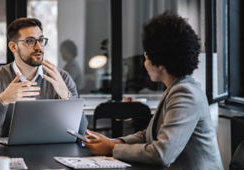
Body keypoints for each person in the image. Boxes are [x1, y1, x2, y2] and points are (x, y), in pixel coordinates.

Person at [84, 11, 223, 169]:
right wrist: (114, 142)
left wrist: (112, 148)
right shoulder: (177, 88)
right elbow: (150, 135)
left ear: (160, 62)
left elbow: (162, 153)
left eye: (147, 57)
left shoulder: (185, 94)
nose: (144, 63)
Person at [0, 17, 87, 134]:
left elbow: (81, 130)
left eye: (40, 40)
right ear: (13, 47)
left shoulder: (62, 77)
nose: (38, 47)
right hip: (9, 151)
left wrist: (66, 96)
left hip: (53, 149)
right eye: (30, 41)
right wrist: (3, 99)